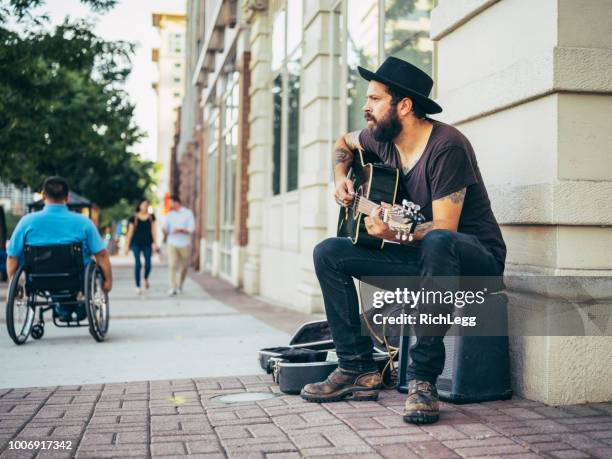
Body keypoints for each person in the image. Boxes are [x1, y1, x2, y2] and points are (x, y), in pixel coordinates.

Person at [301, 57, 506, 425]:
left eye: (375, 99)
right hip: (426, 262)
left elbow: (446, 228)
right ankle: (357, 368)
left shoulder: (447, 147)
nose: (366, 107)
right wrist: (340, 177)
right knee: (329, 252)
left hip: (476, 263)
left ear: (404, 106)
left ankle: (423, 380)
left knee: (438, 242)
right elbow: (343, 143)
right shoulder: (383, 141)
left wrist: (398, 232)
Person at [6, 176, 113, 321]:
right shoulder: (83, 222)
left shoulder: (27, 221)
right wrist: (108, 281)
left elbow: (12, 257)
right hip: (76, 277)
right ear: (67, 197)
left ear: (43, 196)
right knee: (80, 267)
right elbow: (101, 255)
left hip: (39, 278)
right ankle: (73, 307)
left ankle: (63, 309)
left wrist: (14, 283)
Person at [162, 195, 195, 296]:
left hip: (184, 243)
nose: (169, 205)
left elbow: (191, 229)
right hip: (172, 243)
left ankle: (180, 284)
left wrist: (181, 230)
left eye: (171, 203)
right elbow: (165, 228)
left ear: (177, 202)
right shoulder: (170, 215)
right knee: (172, 265)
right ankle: (173, 287)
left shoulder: (188, 214)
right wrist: (164, 230)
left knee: (184, 266)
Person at [124, 199, 158, 295]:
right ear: (139, 206)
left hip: (147, 243)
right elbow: (129, 232)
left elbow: (154, 231)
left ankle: (146, 278)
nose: (145, 207)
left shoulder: (151, 217)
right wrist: (126, 246)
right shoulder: (133, 218)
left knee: (148, 264)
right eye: (143, 205)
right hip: (136, 243)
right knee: (138, 264)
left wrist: (155, 243)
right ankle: (138, 286)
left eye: (147, 205)